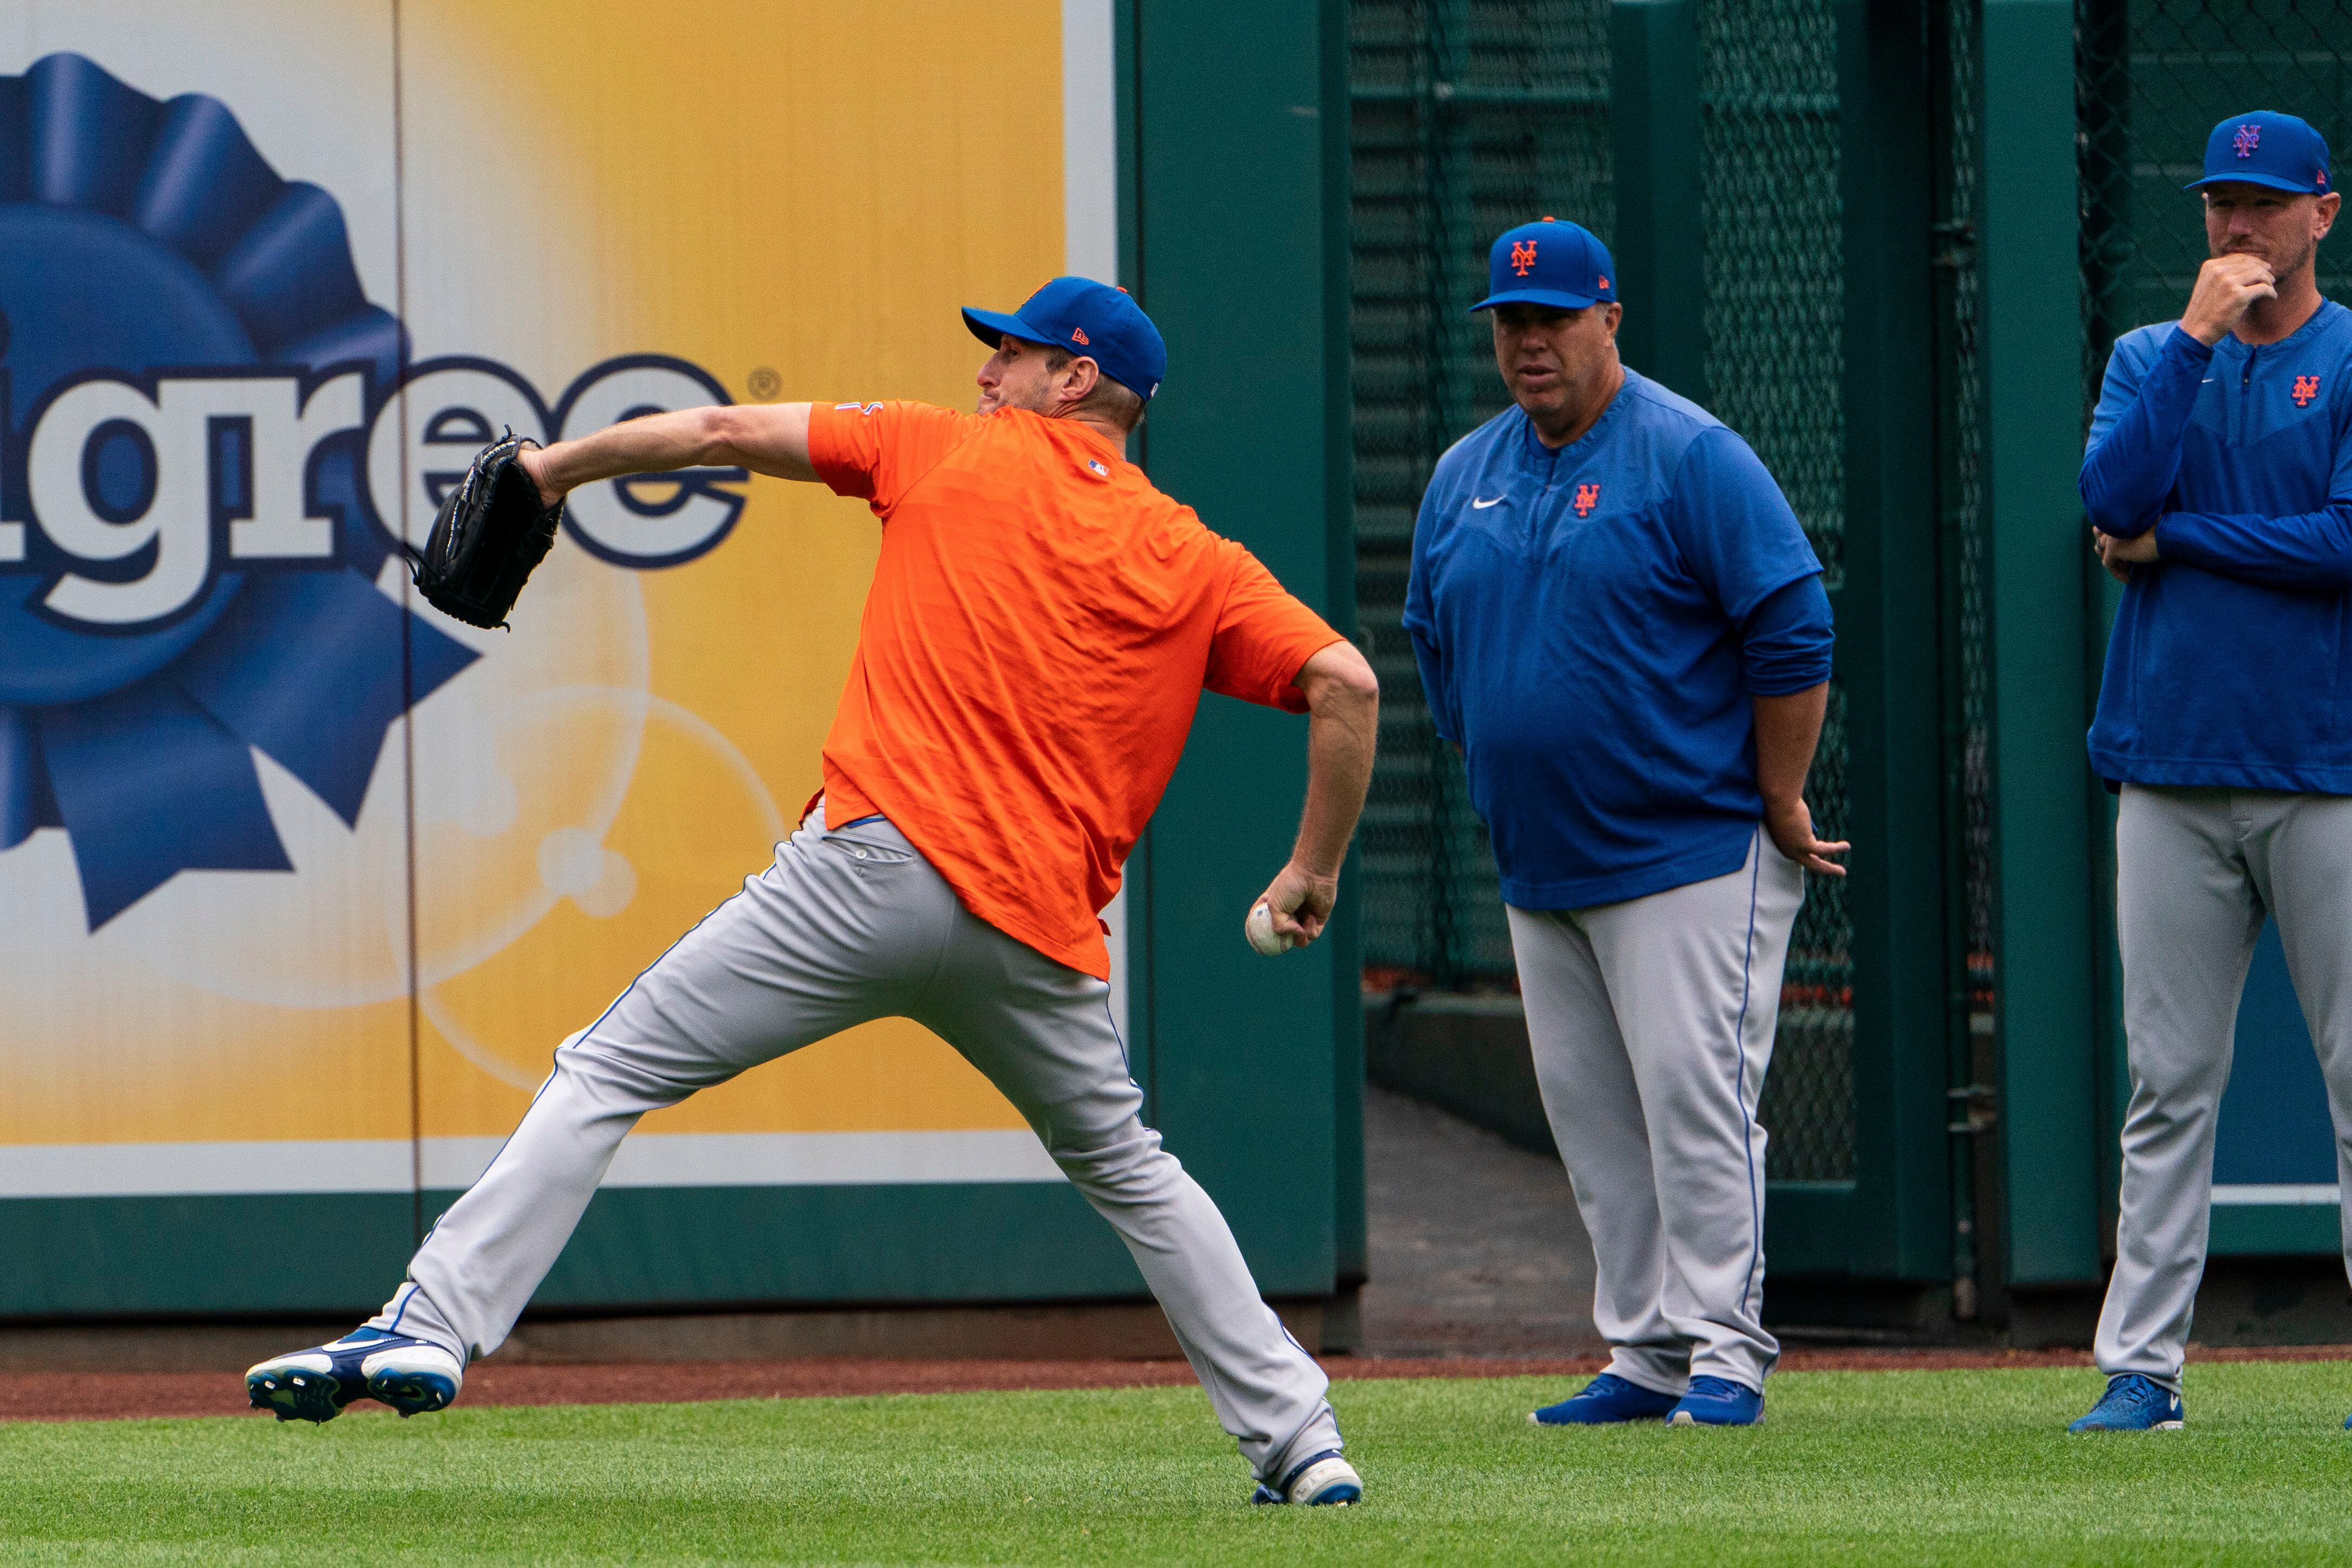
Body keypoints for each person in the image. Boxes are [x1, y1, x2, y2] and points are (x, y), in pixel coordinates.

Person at [244, 277, 1380, 1507]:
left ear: (1077, 380)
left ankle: (429, 1324)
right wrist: (1310, 869)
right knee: (1133, 1171)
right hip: (1039, 938)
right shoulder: (1197, 558)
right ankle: (1304, 1443)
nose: (986, 374)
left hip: (871, 875)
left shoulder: (945, 447)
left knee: (607, 1070)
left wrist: (556, 469)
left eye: (1013, 355)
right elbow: (1350, 685)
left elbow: (722, 434)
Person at [1403, 217, 1841, 1429]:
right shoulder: (1465, 470)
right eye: (1509, 322)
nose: (1528, 343)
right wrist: (1507, 748)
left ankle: (1726, 1352)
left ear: (1610, 317)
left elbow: (1794, 629)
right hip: (1542, 858)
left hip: (1691, 847)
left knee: (1696, 1106)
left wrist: (1779, 792)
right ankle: (1646, 1353)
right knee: (1596, 1126)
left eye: (1551, 319)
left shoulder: (1690, 453)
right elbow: (1435, 635)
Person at [2073, 111, 2346, 1434]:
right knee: (2167, 1078)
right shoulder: (2149, 354)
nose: (2236, 228)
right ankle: (2144, 1369)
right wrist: (2189, 340)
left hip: (2324, 764)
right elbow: (2111, 494)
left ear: (2320, 217)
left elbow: (2344, 542)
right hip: (2170, 766)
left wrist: (2172, 542)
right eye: (2218, 204)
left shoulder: (2348, 354)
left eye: (2261, 204)